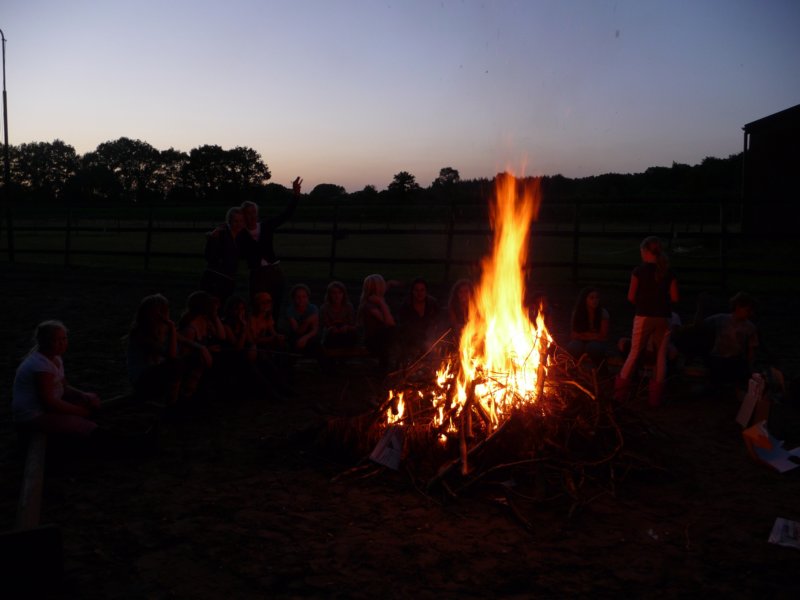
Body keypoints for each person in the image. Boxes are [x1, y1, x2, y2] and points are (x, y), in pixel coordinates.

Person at [614, 236, 679, 406]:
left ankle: (619, 394)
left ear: (645, 251)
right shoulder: (668, 272)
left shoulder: (639, 271)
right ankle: (655, 399)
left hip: (644, 316)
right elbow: (675, 297)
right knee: (661, 356)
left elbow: (631, 297)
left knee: (635, 352)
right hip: (664, 317)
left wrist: (644, 302)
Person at [12, 320, 101, 437]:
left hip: (47, 407)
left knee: (89, 402)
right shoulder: (41, 366)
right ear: (44, 342)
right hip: (33, 415)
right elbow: (49, 402)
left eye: (64, 339)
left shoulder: (55, 357)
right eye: (56, 340)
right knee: (86, 426)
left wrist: (83, 395)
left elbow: (64, 386)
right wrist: (80, 411)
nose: (62, 343)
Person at [238, 177, 303, 321]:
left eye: (253, 212)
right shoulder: (241, 234)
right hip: (257, 274)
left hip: (274, 271)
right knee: (258, 305)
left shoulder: (266, 226)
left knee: (276, 304)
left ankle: (273, 329)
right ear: (243, 215)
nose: (251, 215)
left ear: (257, 213)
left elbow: (285, 215)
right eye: (248, 213)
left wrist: (296, 195)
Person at [126, 293, 186, 406]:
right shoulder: (140, 334)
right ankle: (171, 403)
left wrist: (201, 348)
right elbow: (172, 355)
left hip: (151, 374)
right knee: (176, 364)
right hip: (141, 379)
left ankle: (178, 398)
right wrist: (172, 327)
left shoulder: (160, 329)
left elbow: (183, 340)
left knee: (186, 359)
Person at [704, 291, 759, 393]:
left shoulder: (750, 327)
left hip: (735, 359)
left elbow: (751, 349)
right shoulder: (720, 319)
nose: (750, 313)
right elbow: (702, 326)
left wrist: (750, 365)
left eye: (751, 311)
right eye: (747, 310)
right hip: (717, 358)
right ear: (738, 307)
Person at [200, 206, 245, 308]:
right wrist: (212, 239)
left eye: (241, 221)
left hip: (228, 280)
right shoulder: (220, 234)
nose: (239, 224)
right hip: (215, 279)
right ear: (229, 221)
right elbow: (209, 256)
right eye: (236, 221)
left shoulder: (240, 238)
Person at [357, 273, 398, 372]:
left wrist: (389, 284)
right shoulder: (370, 306)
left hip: (380, 339)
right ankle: (384, 371)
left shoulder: (371, 300)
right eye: (382, 284)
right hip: (373, 342)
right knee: (393, 331)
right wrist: (382, 303)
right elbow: (390, 323)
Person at [566, 286, 610, 372]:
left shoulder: (603, 313)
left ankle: (602, 370)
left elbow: (603, 336)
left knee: (593, 347)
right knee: (573, 346)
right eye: (591, 298)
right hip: (581, 341)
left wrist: (584, 336)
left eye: (597, 298)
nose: (595, 300)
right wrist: (592, 336)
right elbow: (574, 334)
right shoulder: (577, 313)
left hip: (597, 342)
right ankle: (572, 370)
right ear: (585, 299)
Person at [396, 277, 440, 361]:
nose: (419, 293)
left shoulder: (432, 304)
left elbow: (438, 322)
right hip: (412, 341)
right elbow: (403, 327)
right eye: (416, 290)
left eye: (422, 290)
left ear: (426, 291)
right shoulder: (406, 306)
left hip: (430, 339)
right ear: (412, 291)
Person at [319, 280, 358, 350]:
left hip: (346, 334)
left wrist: (347, 327)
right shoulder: (325, 308)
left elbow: (353, 325)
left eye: (340, 293)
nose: (337, 296)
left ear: (343, 294)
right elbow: (324, 325)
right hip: (330, 336)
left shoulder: (348, 307)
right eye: (334, 293)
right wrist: (331, 328)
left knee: (351, 335)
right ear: (329, 295)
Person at [283, 283, 321, 356]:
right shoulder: (290, 310)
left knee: (316, 342)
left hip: (309, 334)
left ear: (308, 297)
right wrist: (307, 321)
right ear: (293, 298)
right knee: (294, 342)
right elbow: (298, 331)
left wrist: (305, 338)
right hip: (295, 334)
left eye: (304, 297)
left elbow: (315, 329)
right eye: (298, 297)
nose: (301, 300)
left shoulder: (313, 308)